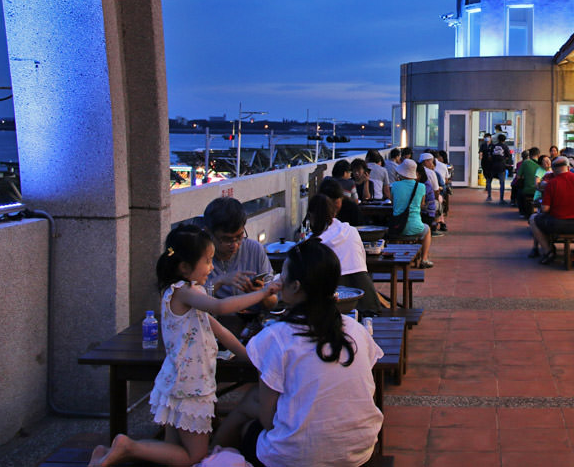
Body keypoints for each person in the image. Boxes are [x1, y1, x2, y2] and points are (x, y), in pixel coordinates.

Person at [88, 225, 280, 467]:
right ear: (185, 267)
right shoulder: (182, 292)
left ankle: (106, 453)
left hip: (181, 381)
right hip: (191, 386)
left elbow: (219, 330)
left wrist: (251, 357)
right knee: (194, 455)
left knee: (173, 450)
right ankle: (128, 447)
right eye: (208, 261)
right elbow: (221, 307)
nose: (212, 267)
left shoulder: (189, 292)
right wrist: (261, 294)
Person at [215, 239, 383, 467]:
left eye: (282, 275)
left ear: (295, 286)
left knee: (248, 413)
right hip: (359, 450)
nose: (277, 280)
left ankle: (211, 457)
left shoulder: (277, 337)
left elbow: (268, 421)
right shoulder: (356, 329)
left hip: (295, 458)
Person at [202, 197, 277, 332]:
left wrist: (261, 293)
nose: (235, 245)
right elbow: (197, 299)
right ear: (208, 233)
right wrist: (219, 281)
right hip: (213, 329)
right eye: (226, 239)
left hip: (252, 326)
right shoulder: (200, 257)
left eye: (239, 236)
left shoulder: (254, 250)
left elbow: (273, 302)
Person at [304, 193, 378, 316]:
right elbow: (363, 260)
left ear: (311, 216)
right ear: (334, 212)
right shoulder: (351, 231)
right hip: (366, 299)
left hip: (332, 304)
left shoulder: (313, 243)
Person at [528, 156, 574, 264]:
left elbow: (545, 209)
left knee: (533, 219)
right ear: (568, 167)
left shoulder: (551, 183)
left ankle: (548, 251)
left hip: (556, 224)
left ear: (554, 169)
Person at [390, 158, 432, 267]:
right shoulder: (421, 187)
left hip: (397, 226)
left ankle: (395, 257)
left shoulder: (394, 185)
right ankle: (424, 259)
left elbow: (393, 203)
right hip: (415, 227)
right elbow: (422, 204)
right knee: (427, 230)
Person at [418, 152, 443, 234]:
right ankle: (434, 226)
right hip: (427, 203)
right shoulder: (431, 173)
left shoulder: (415, 171)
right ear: (426, 162)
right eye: (431, 161)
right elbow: (436, 190)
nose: (432, 164)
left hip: (418, 202)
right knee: (438, 204)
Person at [484, 133, 512, 204]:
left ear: (498, 139)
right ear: (504, 140)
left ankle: (489, 197)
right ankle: (501, 199)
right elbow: (508, 156)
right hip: (501, 166)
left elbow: (489, 156)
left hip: (492, 166)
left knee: (489, 181)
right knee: (502, 183)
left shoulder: (493, 146)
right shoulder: (505, 146)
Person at [515, 147, 542, 218]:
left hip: (527, 190)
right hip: (540, 190)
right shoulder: (542, 163)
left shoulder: (525, 162)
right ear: (538, 155)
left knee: (519, 191)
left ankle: (522, 212)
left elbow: (518, 177)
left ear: (529, 155)